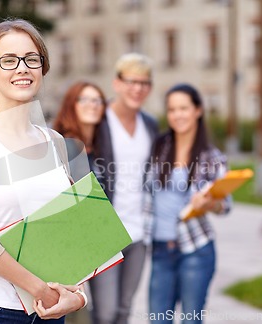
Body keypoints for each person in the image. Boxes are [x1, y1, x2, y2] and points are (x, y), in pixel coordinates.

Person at [0, 19, 87, 323]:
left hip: (52, 313)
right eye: (8, 60)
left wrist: (78, 294)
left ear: (42, 68)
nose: (22, 68)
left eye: (31, 59)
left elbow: (75, 229)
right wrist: (40, 289)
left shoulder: (56, 142)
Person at [145, 84, 232, 324]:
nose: (177, 115)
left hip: (196, 249)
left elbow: (226, 205)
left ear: (198, 111)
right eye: (172, 109)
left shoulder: (212, 157)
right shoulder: (158, 147)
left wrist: (208, 205)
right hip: (161, 250)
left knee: (191, 321)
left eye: (183, 108)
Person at [89, 53, 159, 324]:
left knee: (124, 309)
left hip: (139, 233)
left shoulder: (150, 124)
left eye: (144, 83)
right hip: (105, 233)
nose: (138, 89)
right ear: (117, 83)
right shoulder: (99, 119)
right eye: (131, 81)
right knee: (105, 313)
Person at [53, 81, 107, 171]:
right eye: (84, 99)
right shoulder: (62, 146)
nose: (92, 105)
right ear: (71, 104)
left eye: (97, 100)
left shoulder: (103, 145)